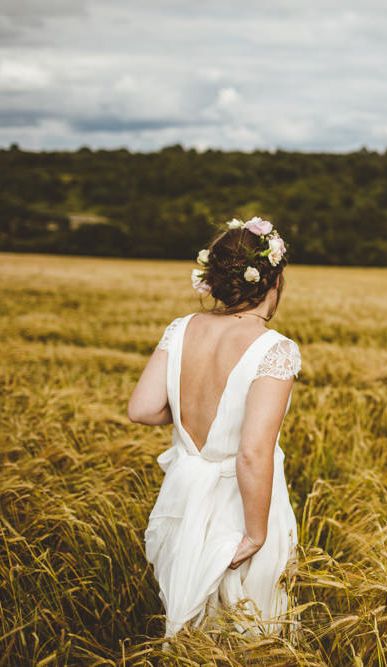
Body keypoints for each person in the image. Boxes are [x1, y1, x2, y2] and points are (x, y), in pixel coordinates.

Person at [127, 216, 301, 640]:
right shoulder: (274, 349)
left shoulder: (181, 328)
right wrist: (256, 534)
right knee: (248, 625)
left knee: (193, 624)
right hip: (239, 503)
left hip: (186, 493)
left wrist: (188, 409)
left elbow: (143, 408)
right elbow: (252, 453)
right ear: (273, 281)